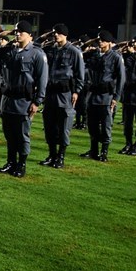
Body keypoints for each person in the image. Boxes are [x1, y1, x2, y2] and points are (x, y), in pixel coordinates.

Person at [0, 21, 48, 178]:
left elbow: (42, 80)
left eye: (21, 32)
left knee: (22, 134)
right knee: (9, 134)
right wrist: (1, 35)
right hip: (8, 99)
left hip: (24, 100)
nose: (17, 34)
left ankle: (21, 164)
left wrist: (37, 101)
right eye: (16, 31)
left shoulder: (37, 54)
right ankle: (10, 162)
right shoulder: (11, 50)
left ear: (30, 35)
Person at [40, 23, 85, 168]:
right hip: (50, 93)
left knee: (64, 126)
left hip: (65, 94)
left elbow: (79, 74)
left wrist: (76, 91)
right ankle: (52, 155)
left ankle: (61, 156)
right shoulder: (49, 49)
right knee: (49, 126)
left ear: (65, 34)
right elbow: (35, 45)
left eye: (58, 33)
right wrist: (44, 37)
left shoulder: (74, 51)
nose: (55, 35)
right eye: (53, 33)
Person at [80, 30, 125, 162]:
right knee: (92, 125)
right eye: (99, 40)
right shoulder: (94, 54)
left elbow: (121, 78)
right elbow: (80, 51)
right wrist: (90, 42)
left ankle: (104, 152)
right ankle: (93, 150)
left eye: (103, 40)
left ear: (110, 42)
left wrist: (116, 98)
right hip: (93, 95)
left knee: (105, 126)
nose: (100, 42)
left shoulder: (116, 57)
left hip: (106, 96)